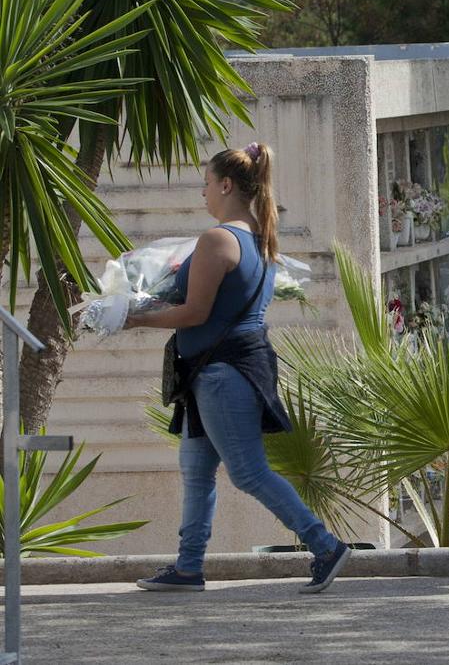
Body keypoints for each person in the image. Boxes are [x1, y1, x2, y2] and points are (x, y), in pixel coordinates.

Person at [126, 143, 351, 593]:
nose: (202, 194)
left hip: (221, 374)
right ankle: (188, 567)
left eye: (206, 184)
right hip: (222, 371)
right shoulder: (259, 238)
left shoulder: (217, 239)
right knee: (195, 470)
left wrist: (132, 316)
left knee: (248, 472)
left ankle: (324, 544)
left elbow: (194, 313)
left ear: (226, 185)